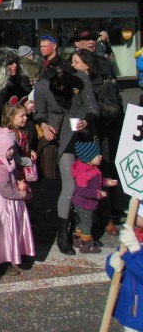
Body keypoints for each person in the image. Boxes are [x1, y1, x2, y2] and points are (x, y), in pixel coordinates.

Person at [33, 64, 99, 255]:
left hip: (82, 134)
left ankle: (83, 230)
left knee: (89, 182)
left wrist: (86, 119)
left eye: (63, 86)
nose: (61, 89)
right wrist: (43, 125)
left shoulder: (81, 79)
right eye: (57, 86)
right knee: (69, 185)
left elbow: (92, 106)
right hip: (61, 136)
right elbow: (39, 112)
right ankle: (63, 234)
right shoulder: (42, 85)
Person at [71, 47, 125, 230]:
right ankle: (84, 219)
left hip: (101, 134)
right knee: (83, 176)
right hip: (83, 135)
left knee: (102, 174)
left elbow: (113, 108)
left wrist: (94, 109)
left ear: (87, 66)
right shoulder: (73, 83)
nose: (73, 66)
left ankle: (106, 216)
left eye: (76, 62)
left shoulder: (100, 82)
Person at [0, 127, 35, 275]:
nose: (12, 152)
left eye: (12, 148)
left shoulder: (3, 162)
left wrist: (18, 183)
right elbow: (5, 190)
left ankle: (10, 257)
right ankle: (0, 260)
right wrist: (20, 194)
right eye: (9, 149)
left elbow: (8, 184)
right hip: (4, 205)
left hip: (7, 203)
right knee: (4, 232)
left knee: (8, 232)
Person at [71, 140, 118, 254]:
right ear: (88, 158)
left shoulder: (92, 170)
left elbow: (98, 181)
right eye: (97, 155)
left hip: (86, 203)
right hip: (84, 204)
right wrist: (98, 194)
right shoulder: (84, 173)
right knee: (87, 223)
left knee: (83, 221)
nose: (101, 156)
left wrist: (107, 182)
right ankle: (86, 244)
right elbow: (82, 190)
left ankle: (77, 238)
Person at [106, 213, 143, 331]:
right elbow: (122, 275)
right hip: (132, 311)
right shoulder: (136, 236)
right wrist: (114, 264)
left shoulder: (134, 242)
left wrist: (135, 251)